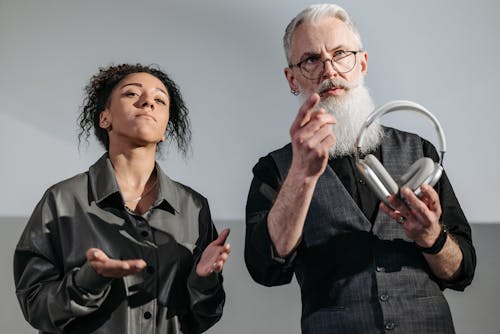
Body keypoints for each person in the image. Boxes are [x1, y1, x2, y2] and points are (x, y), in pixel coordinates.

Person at [244, 4, 475, 333]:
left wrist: (431, 236)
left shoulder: (420, 152)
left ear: (362, 63)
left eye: (340, 53)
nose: (329, 70)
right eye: (311, 60)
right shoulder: (275, 170)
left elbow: (463, 270)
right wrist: (300, 176)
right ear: (292, 79)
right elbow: (265, 269)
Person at [14, 63, 230, 334]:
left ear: (165, 129)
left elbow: (203, 317)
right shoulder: (60, 200)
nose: (148, 102)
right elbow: (35, 306)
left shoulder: (194, 207)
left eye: (160, 100)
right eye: (131, 94)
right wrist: (88, 281)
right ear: (105, 118)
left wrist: (203, 280)